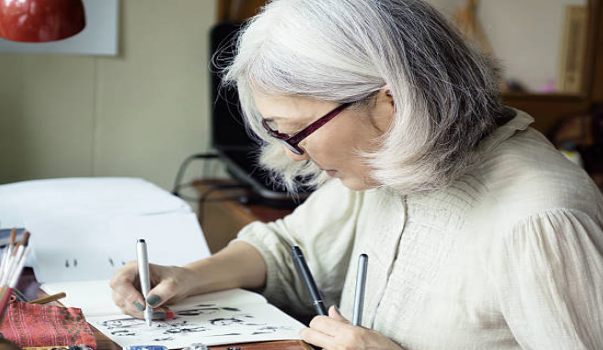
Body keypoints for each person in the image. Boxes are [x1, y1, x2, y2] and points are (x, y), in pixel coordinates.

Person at [110, 0, 603, 349]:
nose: (296, 154)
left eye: (298, 129)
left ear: (390, 103)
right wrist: (185, 276)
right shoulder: (388, 164)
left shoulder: (540, 222)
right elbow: (287, 248)